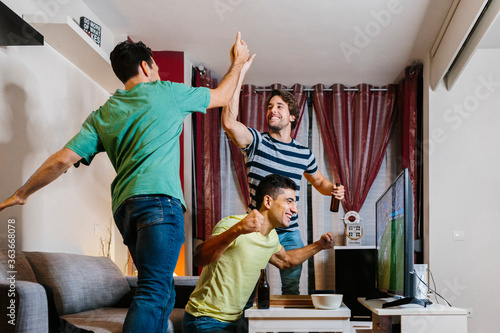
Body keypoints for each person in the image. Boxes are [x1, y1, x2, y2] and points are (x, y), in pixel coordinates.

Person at [0, 32, 252, 332]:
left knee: (160, 289)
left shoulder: (104, 114)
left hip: (126, 209)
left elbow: (61, 161)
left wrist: (22, 193)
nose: (157, 74)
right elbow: (223, 96)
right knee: (154, 291)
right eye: (156, 68)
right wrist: (237, 63)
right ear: (146, 67)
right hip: (160, 204)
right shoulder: (166, 92)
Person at [221, 57, 345, 295]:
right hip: (256, 226)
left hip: (290, 230)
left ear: (292, 117)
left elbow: (319, 181)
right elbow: (229, 122)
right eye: (269, 106)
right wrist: (239, 72)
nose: (272, 110)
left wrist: (333, 190)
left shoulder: (303, 153)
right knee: (248, 288)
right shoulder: (255, 141)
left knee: (291, 288)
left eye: (279, 106)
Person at [182, 174, 335, 333]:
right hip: (205, 319)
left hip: (236, 321)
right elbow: (199, 258)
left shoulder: (271, 237)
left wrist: (319, 245)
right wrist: (238, 229)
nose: (295, 209)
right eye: (289, 201)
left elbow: (286, 261)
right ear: (268, 201)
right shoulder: (234, 223)